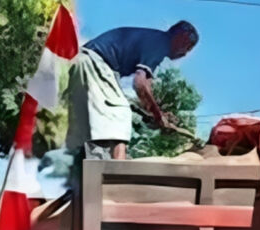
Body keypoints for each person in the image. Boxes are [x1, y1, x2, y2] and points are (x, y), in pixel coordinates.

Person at [66, 21, 199, 160]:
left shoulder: (152, 40)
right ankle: (117, 168)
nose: (184, 54)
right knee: (120, 113)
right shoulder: (161, 43)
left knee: (91, 119)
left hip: (81, 61)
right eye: (188, 48)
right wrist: (159, 116)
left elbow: (145, 89)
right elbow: (140, 84)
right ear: (182, 37)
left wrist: (156, 113)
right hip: (95, 62)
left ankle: (91, 161)